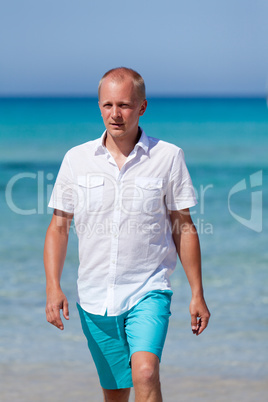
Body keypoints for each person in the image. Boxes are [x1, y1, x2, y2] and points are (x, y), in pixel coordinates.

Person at [44, 67, 210, 402]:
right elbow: (58, 227)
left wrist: (197, 293)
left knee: (146, 373)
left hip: (149, 288)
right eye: (107, 105)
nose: (115, 114)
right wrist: (53, 287)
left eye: (124, 105)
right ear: (100, 106)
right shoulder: (76, 160)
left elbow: (184, 226)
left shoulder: (168, 157)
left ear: (142, 107)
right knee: (116, 394)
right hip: (94, 297)